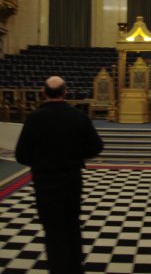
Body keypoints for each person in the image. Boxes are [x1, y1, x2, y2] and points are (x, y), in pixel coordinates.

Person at [15, 76, 103, 274]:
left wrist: (41, 162)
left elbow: (21, 155)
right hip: (71, 180)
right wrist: (75, 157)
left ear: (44, 93)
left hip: (44, 182)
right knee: (72, 223)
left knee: (53, 228)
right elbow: (97, 146)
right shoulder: (78, 116)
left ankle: (58, 268)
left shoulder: (34, 118)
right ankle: (75, 267)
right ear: (65, 92)